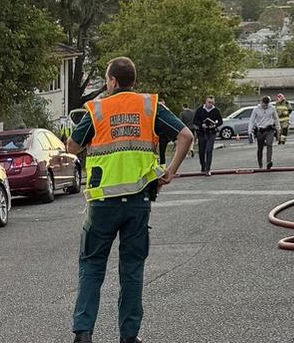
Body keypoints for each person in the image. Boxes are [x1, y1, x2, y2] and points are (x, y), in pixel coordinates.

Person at [67, 57, 193, 343]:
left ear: (111, 81)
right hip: (138, 201)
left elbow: (73, 146)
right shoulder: (149, 107)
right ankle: (129, 336)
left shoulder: (97, 109)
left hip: (102, 203)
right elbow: (185, 136)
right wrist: (170, 171)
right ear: (133, 81)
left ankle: (83, 333)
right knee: (132, 269)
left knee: (92, 264)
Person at [193, 96, 223, 176]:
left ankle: (208, 169)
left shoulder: (216, 110)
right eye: (209, 102)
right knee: (201, 151)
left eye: (212, 103)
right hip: (202, 132)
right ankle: (203, 165)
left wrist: (215, 125)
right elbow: (195, 121)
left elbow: (220, 121)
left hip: (212, 132)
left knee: (209, 150)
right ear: (205, 102)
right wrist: (201, 125)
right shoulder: (200, 110)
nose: (211, 104)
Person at [248, 96, 281, 170]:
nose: (265, 106)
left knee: (269, 144)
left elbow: (276, 119)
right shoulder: (256, 109)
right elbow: (251, 120)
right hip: (260, 130)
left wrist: (278, 129)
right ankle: (260, 164)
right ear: (261, 102)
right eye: (264, 104)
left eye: (267, 105)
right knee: (260, 148)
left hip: (269, 129)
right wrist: (250, 131)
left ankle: (268, 162)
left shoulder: (272, 108)